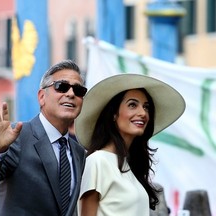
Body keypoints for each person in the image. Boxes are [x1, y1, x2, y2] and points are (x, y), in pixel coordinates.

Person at [0, 60, 87, 216]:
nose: (71, 94)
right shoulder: (17, 137)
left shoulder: (79, 152)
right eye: (62, 87)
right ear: (41, 97)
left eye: (79, 90)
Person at [75, 74, 186, 216]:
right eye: (133, 105)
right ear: (114, 114)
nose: (143, 113)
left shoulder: (132, 166)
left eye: (146, 107)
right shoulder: (98, 161)